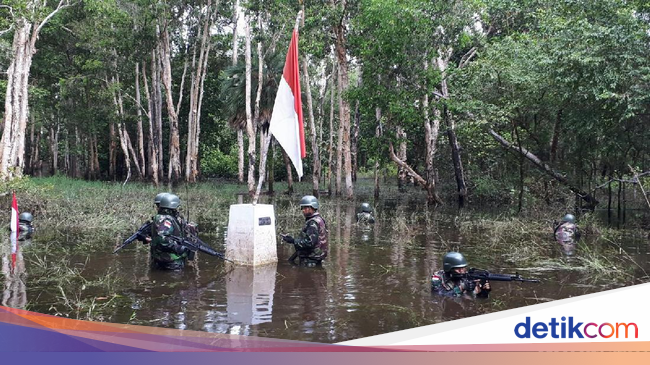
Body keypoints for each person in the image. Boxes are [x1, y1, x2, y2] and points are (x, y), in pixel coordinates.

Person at [281, 195, 328, 267]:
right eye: (302, 208)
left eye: (306, 208)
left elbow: (310, 243)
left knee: (307, 276)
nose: (303, 210)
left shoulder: (313, 222)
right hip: (317, 257)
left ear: (312, 208)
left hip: (311, 259)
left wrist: (293, 240)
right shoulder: (319, 219)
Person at [148, 194, 192, 270]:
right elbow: (162, 238)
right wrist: (178, 248)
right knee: (176, 281)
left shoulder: (161, 217)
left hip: (160, 258)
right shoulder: (166, 219)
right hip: (171, 261)